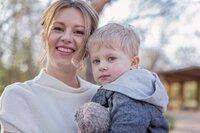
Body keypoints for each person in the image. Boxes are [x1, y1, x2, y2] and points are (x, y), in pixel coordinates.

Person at [0, 0, 111, 132]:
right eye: (58, 28)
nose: (67, 38)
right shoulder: (18, 96)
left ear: (89, 44)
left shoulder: (105, 97)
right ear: (44, 36)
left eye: (78, 32)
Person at [77, 22, 169, 133]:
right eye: (96, 61)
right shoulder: (116, 89)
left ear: (133, 62)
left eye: (111, 58)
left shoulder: (128, 95)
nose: (101, 66)